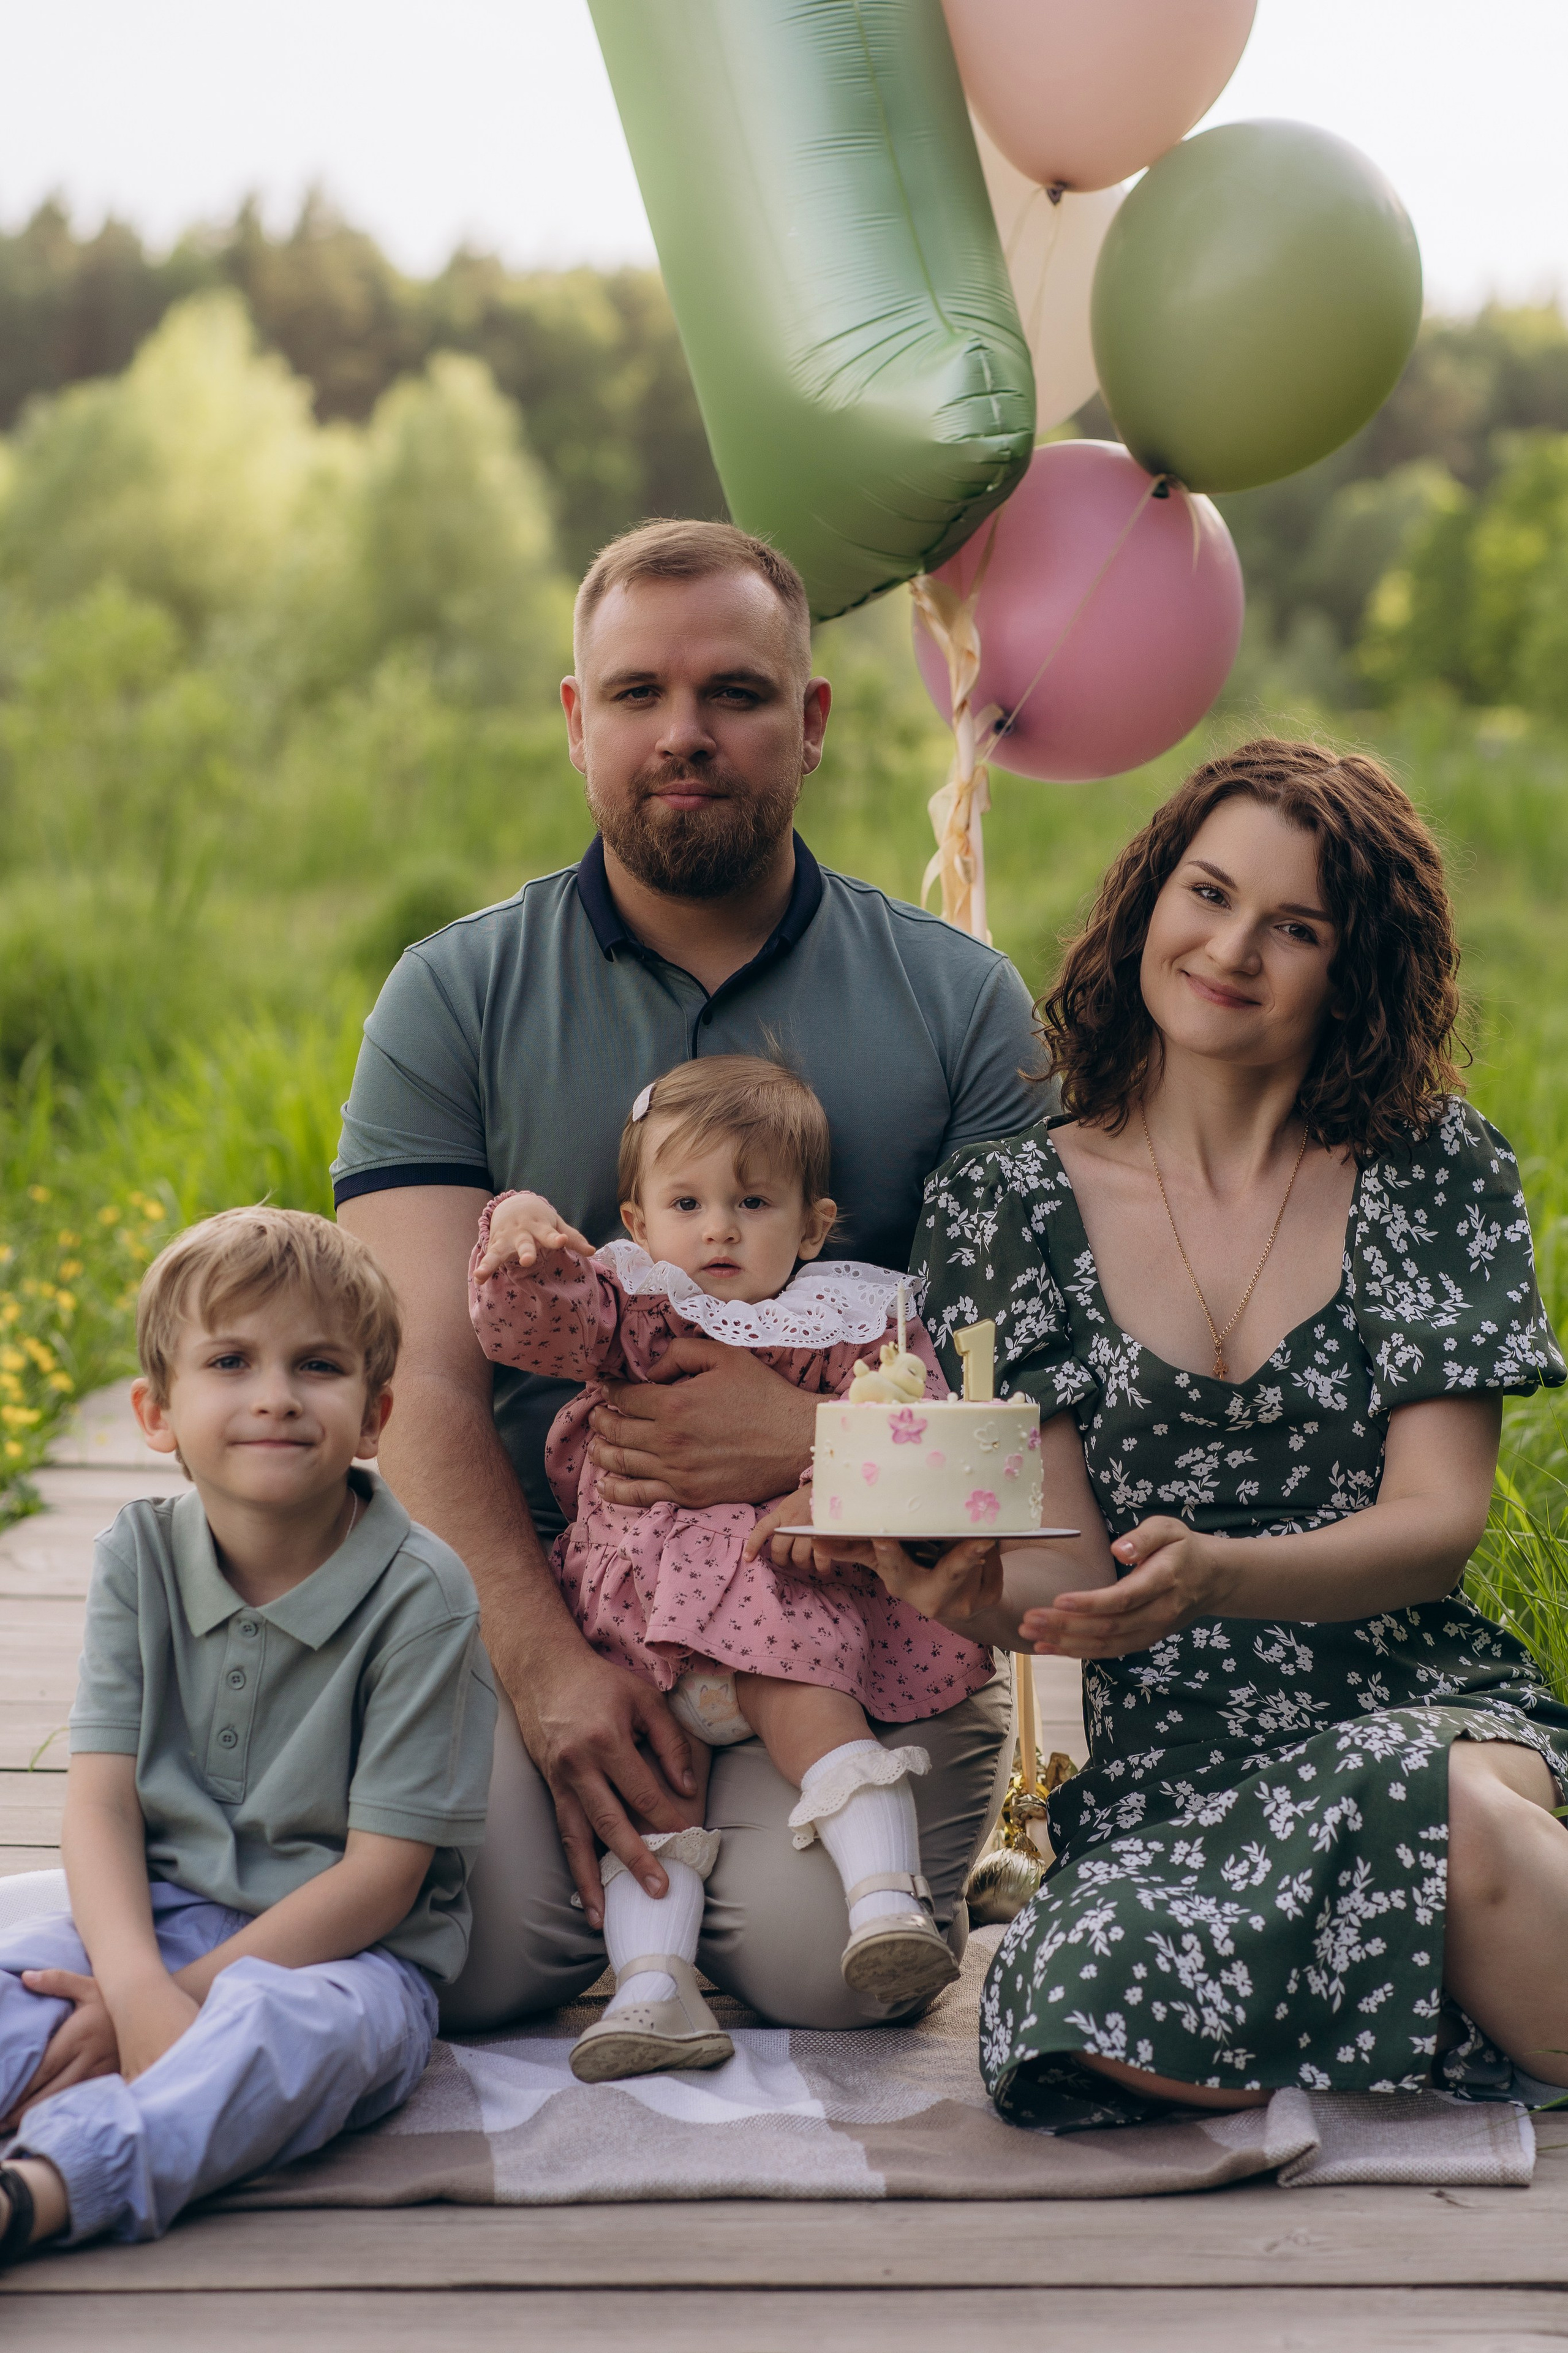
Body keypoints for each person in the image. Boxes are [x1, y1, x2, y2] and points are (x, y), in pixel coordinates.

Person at [334, 518, 1041, 2030]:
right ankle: (614, 1861)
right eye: (637, 694)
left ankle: (777, 1862)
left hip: (845, 1598)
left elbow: (1028, 1423)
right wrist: (540, 1667)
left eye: (732, 692)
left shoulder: (957, 1004)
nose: (684, 734)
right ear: (577, 721)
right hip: (553, 1591)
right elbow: (417, 1397)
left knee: (810, 1972)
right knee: (483, 1952)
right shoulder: (454, 994)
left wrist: (802, 1441)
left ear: (812, 720)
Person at [808, 739, 1568, 2125]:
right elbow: (1066, 1569)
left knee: (1442, 1805)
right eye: (1206, 893)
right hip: (1172, 1757)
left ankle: (1392, 1977)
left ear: (1357, 969)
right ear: (1148, 897)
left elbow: (1435, 1525)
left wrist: (1221, 1573)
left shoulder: (1428, 1169)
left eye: (1294, 927)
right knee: (1075, 2006)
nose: (1230, 948)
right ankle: (1439, 1990)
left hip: (1422, 1702)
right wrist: (970, 1597)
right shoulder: (1004, 1204)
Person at [469, 1054, 996, 2080]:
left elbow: (919, 1427)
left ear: (811, 1225)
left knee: (815, 1718)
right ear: (639, 1215)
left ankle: (885, 1899)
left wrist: (823, 1483)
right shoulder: (634, 1303)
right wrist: (521, 1230)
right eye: (688, 1202)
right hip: (641, 1632)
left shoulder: (850, 1321)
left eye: (753, 1203)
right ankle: (653, 1992)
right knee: (657, 1797)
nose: (718, 1228)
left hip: (779, 1613)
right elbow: (531, 1326)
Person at [0, 1209, 495, 2258]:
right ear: (156, 1410)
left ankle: (49, 2184)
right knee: (23, 1976)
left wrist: (163, 2005)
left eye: (316, 1364)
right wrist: (134, 1985)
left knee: (285, 2045)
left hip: (347, 1957)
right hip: (159, 1912)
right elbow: (99, 1802)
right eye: (230, 1360)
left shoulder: (425, 1593)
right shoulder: (137, 1554)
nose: (274, 1393)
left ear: (375, 1415)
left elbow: (381, 1879)